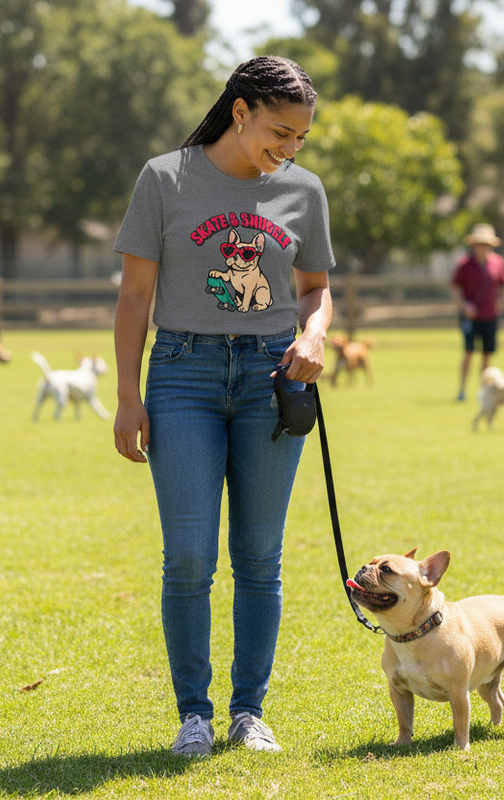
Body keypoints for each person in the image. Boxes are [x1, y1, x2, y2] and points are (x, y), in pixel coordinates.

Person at [112, 56, 335, 758]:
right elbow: (135, 298)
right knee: (187, 558)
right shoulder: (165, 178)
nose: (290, 148)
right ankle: (193, 717)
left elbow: (316, 290)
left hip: (273, 379)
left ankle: (248, 713)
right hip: (183, 376)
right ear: (240, 112)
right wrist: (126, 395)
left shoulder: (304, 190)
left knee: (260, 558)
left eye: (300, 137)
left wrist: (316, 336)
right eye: (279, 131)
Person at [450, 223, 504, 401]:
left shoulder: (498, 263)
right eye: (479, 244)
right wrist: (464, 306)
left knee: (486, 355)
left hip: (490, 315)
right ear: (474, 245)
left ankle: (483, 390)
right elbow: (455, 289)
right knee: (468, 352)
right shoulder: (465, 264)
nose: (482, 247)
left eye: (486, 244)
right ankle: (462, 389)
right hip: (470, 317)